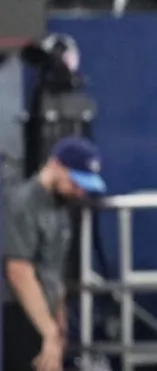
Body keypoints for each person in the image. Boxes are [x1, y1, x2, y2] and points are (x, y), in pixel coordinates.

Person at [3, 136, 107, 371]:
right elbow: (19, 271)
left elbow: (53, 271)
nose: (80, 191)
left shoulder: (60, 209)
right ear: (56, 166)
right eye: (76, 181)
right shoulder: (25, 203)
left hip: (44, 320)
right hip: (20, 315)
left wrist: (59, 326)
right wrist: (48, 332)